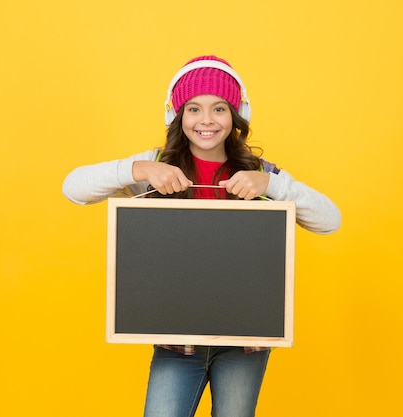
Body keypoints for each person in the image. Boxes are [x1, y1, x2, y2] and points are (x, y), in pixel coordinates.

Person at [62, 55, 341, 417]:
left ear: (236, 114)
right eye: (194, 109)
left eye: (219, 109)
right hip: (176, 342)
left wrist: (272, 184)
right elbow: (73, 188)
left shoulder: (259, 173)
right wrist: (139, 167)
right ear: (177, 116)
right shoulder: (156, 166)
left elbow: (329, 220)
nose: (206, 120)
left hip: (245, 341)